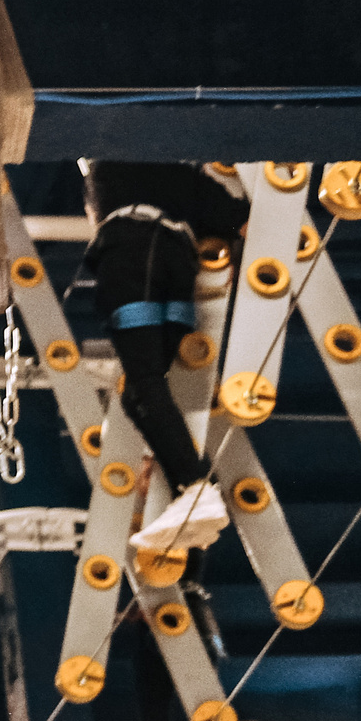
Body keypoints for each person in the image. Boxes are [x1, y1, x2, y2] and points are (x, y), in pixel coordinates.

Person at [79, 161, 249, 553]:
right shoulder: (191, 180)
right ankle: (190, 490)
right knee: (141, 392)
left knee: (145, 385)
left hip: (130, 260)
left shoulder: (106, 171)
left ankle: (196, 489)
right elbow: (238, 221)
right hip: (178, 271)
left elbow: (96, 217)